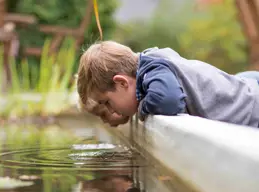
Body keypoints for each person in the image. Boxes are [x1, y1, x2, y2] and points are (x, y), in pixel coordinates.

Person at [77, 41, 259, 128]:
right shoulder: (148, 64)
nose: (111, 109)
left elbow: (168, 101)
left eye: (107, 102)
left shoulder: (152, 70)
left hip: (252, 110)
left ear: (122, 82)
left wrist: (140, 107)